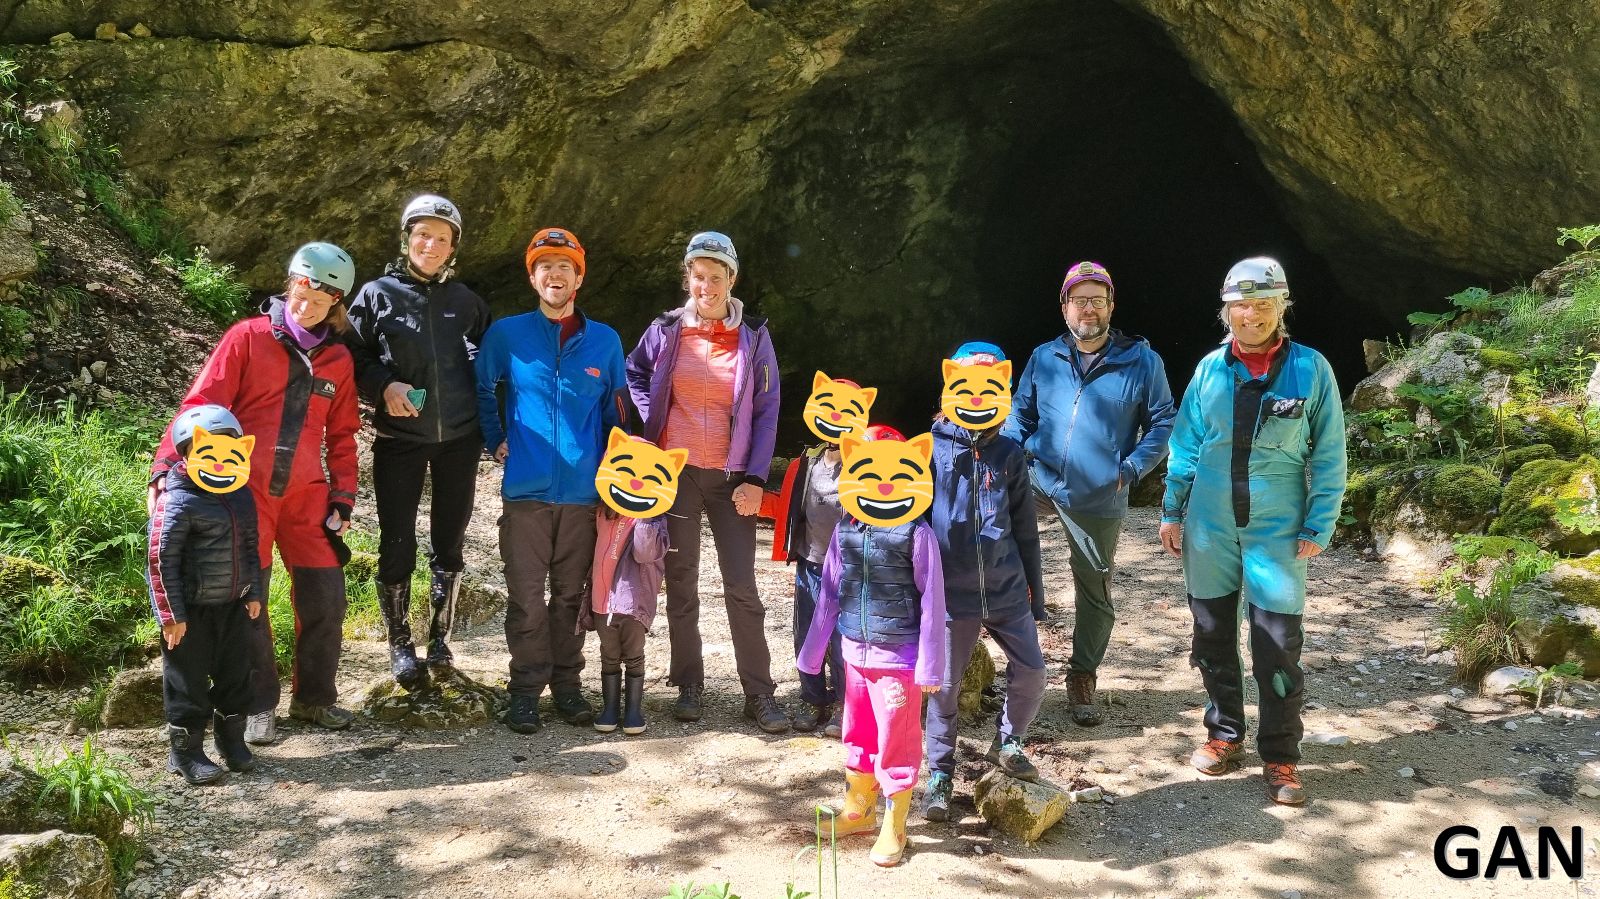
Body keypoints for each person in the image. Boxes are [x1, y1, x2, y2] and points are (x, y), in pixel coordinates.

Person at [151, 243, 361, 744]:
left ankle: (314, 699)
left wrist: (344, 495)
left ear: (336, 303)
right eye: (301, 293)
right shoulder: (247, 338)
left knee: (327, 599)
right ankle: (258, 705)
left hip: (307, 497)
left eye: (320, 300)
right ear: (290, 284)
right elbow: (200, 406)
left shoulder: (337, 359)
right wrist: (165, 468)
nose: (306, 306)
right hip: (243, 494)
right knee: (252, 601)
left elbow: (344, 435)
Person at [1158, 256, 1346, 806]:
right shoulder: (1209, 369)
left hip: (1278, 523)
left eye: (1264, 304)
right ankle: (1224, 734)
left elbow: (1330, 453)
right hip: (1209, 522)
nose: (1252, 314)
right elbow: (1185, 443)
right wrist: (1171, 509)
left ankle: (1281, 755)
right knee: (1211, 634)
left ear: (1282, 307)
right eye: (1242, 305)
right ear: (1227, 311)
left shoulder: (1311, 369)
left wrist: (1320, 521)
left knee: (1278, 645)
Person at [626, 231, 787, 733]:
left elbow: (767, 409)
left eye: (716, 277)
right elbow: (635, 373)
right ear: (688, 279)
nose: (707, 286)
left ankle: (758, 692)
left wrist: (756, 477)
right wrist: (653, 424)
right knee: (682, 582)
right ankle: (688, 684)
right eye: (699, 276)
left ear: (731, 280)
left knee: (741, 586)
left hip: (731, 479)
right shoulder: (666, 329)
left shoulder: (754, 336)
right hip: (676, 476)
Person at [1003, 261, 1176, 726]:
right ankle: (1004, 659)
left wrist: (1131, 469)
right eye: (1079, 300)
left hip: (1098, 493)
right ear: (1064, 307)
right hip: (1038, 479)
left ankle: (1082, 675)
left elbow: (1163, 420)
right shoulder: (1044, 357)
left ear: (1111, 307)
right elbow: (1020, 414)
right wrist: (1005, 458)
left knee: (1094, 589)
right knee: (986, 545)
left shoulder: (1143, 361)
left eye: (1097, 300)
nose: (1088, 309)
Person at [476, 227, 628, 735]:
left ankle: (566, 685)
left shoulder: (605, 341)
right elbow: (481, 387)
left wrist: (615, 479)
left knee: (569, 596)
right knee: (525, 597)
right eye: (545, 266)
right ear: (533, 277)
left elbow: (617, 414)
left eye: (565, 266)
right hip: (525, 493)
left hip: (584, 495)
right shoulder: (508, 334)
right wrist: (495, 438)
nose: (554, 274)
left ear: (579, 278)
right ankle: (524, 691)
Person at [345, 195, 493, 690]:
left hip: (460, 439)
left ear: (453, 248)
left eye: (442, 238)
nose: (431, 245)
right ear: (407, 237)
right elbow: (352, 354)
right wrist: (384, 385)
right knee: (397, 539)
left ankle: (440, 639)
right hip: (400, 438)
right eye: (422, 234)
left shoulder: (467, 301)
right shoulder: (376, 295)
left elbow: (493, 364)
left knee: (449, 539)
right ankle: (399, 641)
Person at [798, 425, 944, 868]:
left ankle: (894, 823)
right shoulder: (846, 529)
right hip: (853, 654)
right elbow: (829, 591)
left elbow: (933, 602)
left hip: (899, 660)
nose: (881, 484)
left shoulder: (917, 534)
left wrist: (931, 666)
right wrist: (813, 651)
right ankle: (859, 810)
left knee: (897, 741)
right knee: (857, 733)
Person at [923, 342, 1049, 823]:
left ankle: (1008, 741)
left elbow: (1026, 530)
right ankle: (939, 774)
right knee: (944, 687)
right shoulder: (929, 449)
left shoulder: (1009, 452)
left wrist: (1035, 596)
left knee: (1033, 672)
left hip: (1006, 589)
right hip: (951, 595)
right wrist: (919, 593)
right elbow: (912, 523)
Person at [149, 405, 263, 785]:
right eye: (208, 451)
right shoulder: (176, 500)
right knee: (187, 680)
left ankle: (231, 741)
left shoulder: (241, 494)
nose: (219, 462)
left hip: (232, 605)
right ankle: (185, 752)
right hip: (190, 611)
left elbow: (251, 547)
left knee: (236, 674)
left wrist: (254, 591)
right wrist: (171, 615)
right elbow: (160, 559)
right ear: (187, 453)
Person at [769, 372, 879, 735]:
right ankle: (812, 698)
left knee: (844, 637)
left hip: (851, 568)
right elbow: (788, 505)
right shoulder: (807, 461)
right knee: (807, 633)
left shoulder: (866, 461)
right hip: (811, 563)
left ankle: (847, 704)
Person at [585, 430, 684, 735]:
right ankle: (610, 709)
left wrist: (646, 517)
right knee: (608, 653)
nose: (637, 483)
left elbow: (645, 553)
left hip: (634, 603)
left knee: (634, 655)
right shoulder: (602, 512)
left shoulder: (655, 520)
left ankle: (633, 711)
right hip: (602, 600)